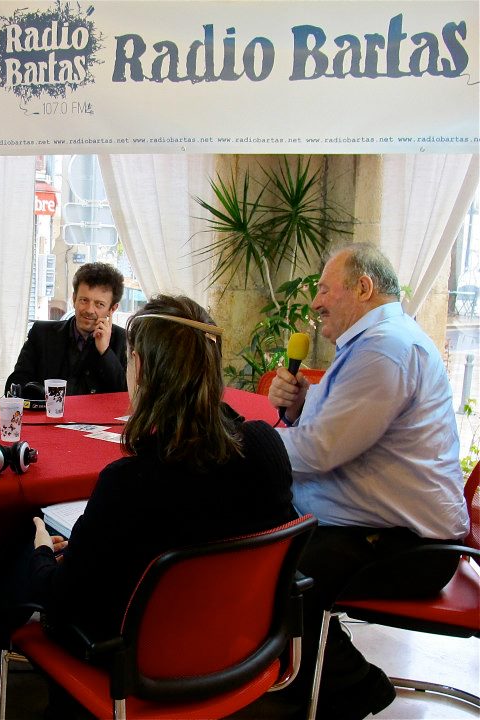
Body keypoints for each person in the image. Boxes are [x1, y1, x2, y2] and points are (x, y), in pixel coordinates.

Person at [268, 243, 469, 720]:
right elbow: (334, 434)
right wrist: (299, 407)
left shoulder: (385, 349)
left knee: (280, 578)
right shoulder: (373, 344)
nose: (316, 302)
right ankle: (302, 680)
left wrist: (248, 445)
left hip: (409, 546)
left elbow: (320, 450)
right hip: (372, 525)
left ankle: (352, 688)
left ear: (363, 287)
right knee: (265, 548)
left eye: (324, 290)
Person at [28, 295, 296, 647]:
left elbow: (60, 599)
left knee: (23, 556)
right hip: (244, 648)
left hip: (137, 660)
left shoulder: (129, 483)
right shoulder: (266, 445)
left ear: (138, 367)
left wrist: (41, 553)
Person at [5, 262, 127, 396]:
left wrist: (105, 352)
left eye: (99, 304)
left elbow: (128, 394)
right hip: (47, 409)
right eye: (84, 300)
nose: (89, 310)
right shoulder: (41, 334)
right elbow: (15, 384)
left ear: (112, 309)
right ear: (74, 299)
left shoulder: (124, 340)